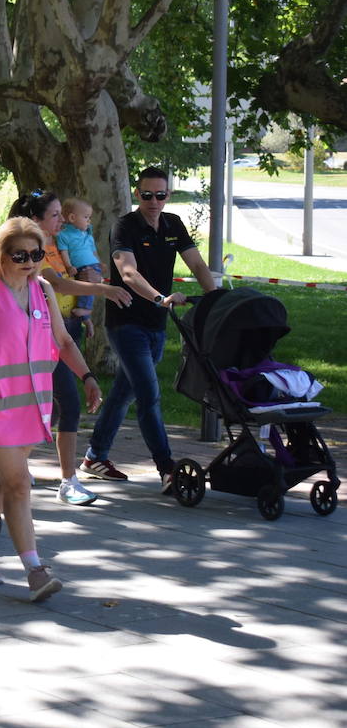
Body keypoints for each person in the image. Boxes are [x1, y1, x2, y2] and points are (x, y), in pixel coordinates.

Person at [0, 218, 101, 602]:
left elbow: (63, 341)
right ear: (2, 255)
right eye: (21, 255)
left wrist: (88, 377)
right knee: (19, 483)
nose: (30, 262)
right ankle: (35, 568)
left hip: (31, 407)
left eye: (36, 254)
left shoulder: (43, 290)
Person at [82, 168, 218, 490]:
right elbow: (127, 274)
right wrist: (160, 298)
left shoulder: (173, 225)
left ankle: (94, 456)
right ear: (137, 194)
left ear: (168, 195)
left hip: (157, 324)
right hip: (126, 322)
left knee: (123, 392)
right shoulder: (125, 226)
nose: (154, 202)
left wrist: (214, 299)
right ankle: (167, 468)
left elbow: (197, 265)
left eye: (161, 195)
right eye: (147, 195)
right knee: (149, 394)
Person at [10, 191, 133, 506]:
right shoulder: (29, 253)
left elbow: (64, 287)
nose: (61, 219)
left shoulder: (51, 247)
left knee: (51, 408)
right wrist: (103, 288)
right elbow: (59, 285)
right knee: (64, 405)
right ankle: (64, 480)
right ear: (36, 220)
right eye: (54, 214)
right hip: (37, 339)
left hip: (61, 329)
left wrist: (84, 312)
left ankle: (16, 470)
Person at [56, 197, 104, 325]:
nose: (89, 221)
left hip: (91, 265)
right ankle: (86, 318)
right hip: (77, 267)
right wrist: (69, 266)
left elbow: (93, 252)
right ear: (72, 218)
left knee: (87, 287)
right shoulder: (63, 235)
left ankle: (86, 309)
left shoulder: (87, 235)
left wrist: (99, 263)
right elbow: (64, 252)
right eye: (86, 217)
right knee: (81, 290)